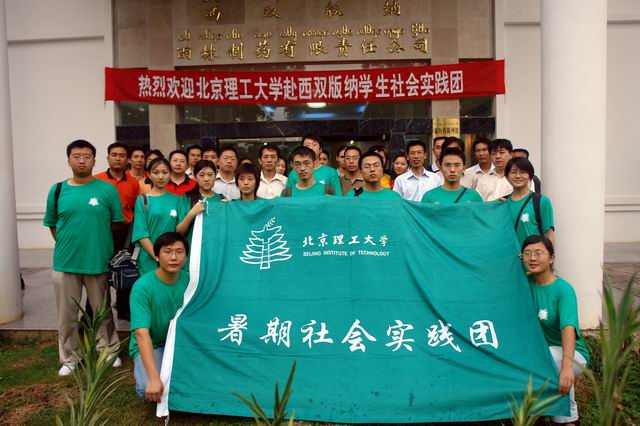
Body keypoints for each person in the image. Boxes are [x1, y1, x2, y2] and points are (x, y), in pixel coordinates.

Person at [43, 139, 122, 376]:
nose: (81, 160)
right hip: (65, 262)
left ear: (94, 161)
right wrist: (70, 243)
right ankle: (69, 358)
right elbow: (53, 224)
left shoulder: (107, 190)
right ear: (68, 160)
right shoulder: (57, 190)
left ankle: (108, 351)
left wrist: (98, 243)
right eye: (76, 156)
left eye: (86, 156)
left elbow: (116, 223)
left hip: (97, 261)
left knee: (102, 311)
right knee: (66, 315)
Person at [521, 235, 590, 425]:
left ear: (551, 258)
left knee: (552, 358)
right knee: (543, 358)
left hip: (572, 354)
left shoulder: (563, 290)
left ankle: (567, 420)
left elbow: (568, 329)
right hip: (540, 354)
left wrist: (567, 368)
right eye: (527, 253)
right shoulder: (524, 285)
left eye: (538, 253)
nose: (532, 258)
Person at [130, 232, 190, 402]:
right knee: (147, 388)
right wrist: (153, 378)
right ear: (156, 256)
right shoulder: (142, 287)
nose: (174, 257)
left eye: (179, 252)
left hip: (181, 343)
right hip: (154, 344)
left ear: (186, 257)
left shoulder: (191, 282)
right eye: (167, 252)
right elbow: (141, 333)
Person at [131, 158, 181, 276]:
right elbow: (141, 234)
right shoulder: (143, 200)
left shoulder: (177, 199)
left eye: (164, 172)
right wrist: (158, 256)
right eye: (156, 172)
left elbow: (180, 229)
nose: (160, 176)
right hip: (149, 258)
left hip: (173, 257)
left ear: (170, 174)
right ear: (149, 174)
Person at [94, 142, 140, 253]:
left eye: (122, 155)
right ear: (108, 158)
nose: (118, 159)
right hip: (101, 228)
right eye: (114, 155)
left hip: (125, 232)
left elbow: (135, 208)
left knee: (123, 261)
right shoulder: (96, 180)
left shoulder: (133, 182)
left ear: (127, 160)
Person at [505, 157, 555, 247]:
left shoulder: (541, 201)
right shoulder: (503, 203)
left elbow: (548, 234)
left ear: (530, 176)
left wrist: (551, 255)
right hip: (509, 255)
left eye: (523, 172)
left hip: (533, 255)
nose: (518, 176)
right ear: (507, 177)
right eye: (513, 172)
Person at [177, 160, 223, 245]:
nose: (206, 179)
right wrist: (192, 213)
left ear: (216, 175)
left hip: (215, 248)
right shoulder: (187, 198)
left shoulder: (221, 199)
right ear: (195, 177)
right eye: (201, 175)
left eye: (210, 175)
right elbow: (179, 232)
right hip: (193, 248)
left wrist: (227, 209)